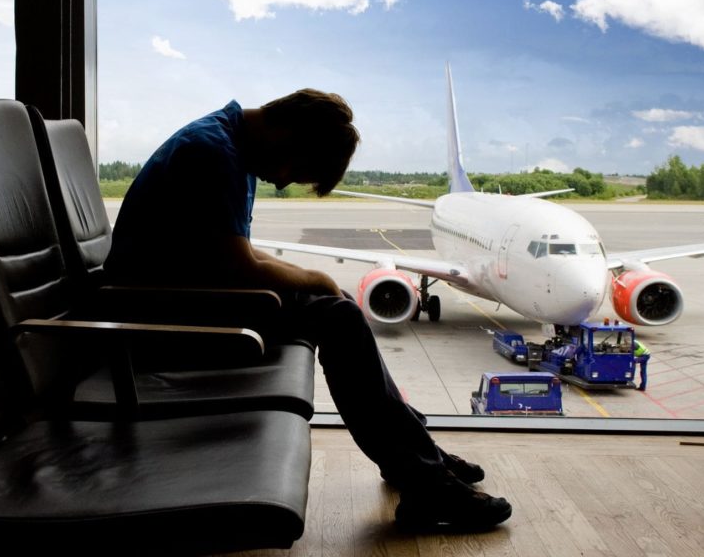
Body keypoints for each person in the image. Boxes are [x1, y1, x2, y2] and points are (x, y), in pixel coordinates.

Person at [105, 89, 512, 530]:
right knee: (339, 317)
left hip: (189, 298)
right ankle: (423, 477)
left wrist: (315, 284)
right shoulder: (211, 154)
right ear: (286, 134)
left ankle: (416, 462)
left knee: (337, 311)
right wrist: (316, 280)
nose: (282, 181)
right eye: (295, 169)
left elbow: (237, 254)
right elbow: (240, 267)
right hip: (160, 319)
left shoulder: (226, 145)